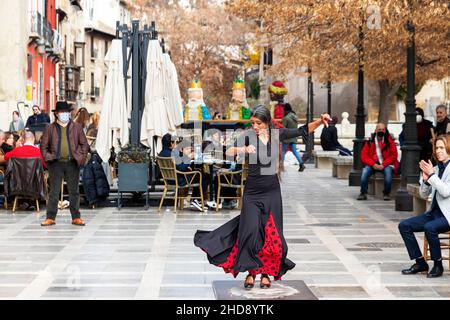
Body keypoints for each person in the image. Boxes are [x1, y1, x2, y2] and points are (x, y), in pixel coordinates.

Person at [194, 105, 330, 289]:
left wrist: (320, 122)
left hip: (272, 192)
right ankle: (251, 271)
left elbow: (301, 130)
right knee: (250, 231)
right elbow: (227, 151)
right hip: (252, 192)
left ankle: (265, 273)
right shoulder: (248, 136)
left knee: (270, 235)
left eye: (258, 123)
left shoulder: (276, 134)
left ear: (267, 121)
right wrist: (242, 150)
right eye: (253, 123)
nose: (255, 126)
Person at [398, 135, 450, 278]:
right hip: (433, 214)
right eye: (436, 148)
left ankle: (438, 265)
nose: (438, 151)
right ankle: (420, 262)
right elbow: (423, 193)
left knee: (430, 227)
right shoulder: (435, 169)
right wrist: (426, 181)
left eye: (442, 148)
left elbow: (446, 192)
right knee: (404, 226)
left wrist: (432, 176)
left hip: (447, 216)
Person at [39, 101, 89, 227]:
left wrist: (81, 158)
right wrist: (49, 158)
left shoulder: (76, 127)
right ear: (56, 114)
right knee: (54, 191)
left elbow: (84, 144)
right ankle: (50, 217)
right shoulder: (50, 128)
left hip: (72, 163)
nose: (65, 114)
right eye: (62, 112)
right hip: (55, 164)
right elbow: (43, 146)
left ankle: (76, 217)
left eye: (67, 112)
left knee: (74, 191)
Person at [357, 123, 400, 201]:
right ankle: (363, 193)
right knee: (365, 172)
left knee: (388, 174)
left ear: (385, 130)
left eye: (383, 130)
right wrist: (373, 164)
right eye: (379, 129)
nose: (381, 131)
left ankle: (386, 193)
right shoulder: (370, 141)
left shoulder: (390, 141)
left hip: (386, 164)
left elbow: (394, 155)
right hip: (373, 164)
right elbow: (363, 155)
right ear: (376, 130)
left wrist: (383, 164)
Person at [281, 103, 306, 172]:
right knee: (295, 152)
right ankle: (301, 164)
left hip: (286, 137)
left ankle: (281, 166)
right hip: (294, 137)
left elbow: (282, 128)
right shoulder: (295, 117)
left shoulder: (286, 118)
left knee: (282, 151)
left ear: (285, 110)